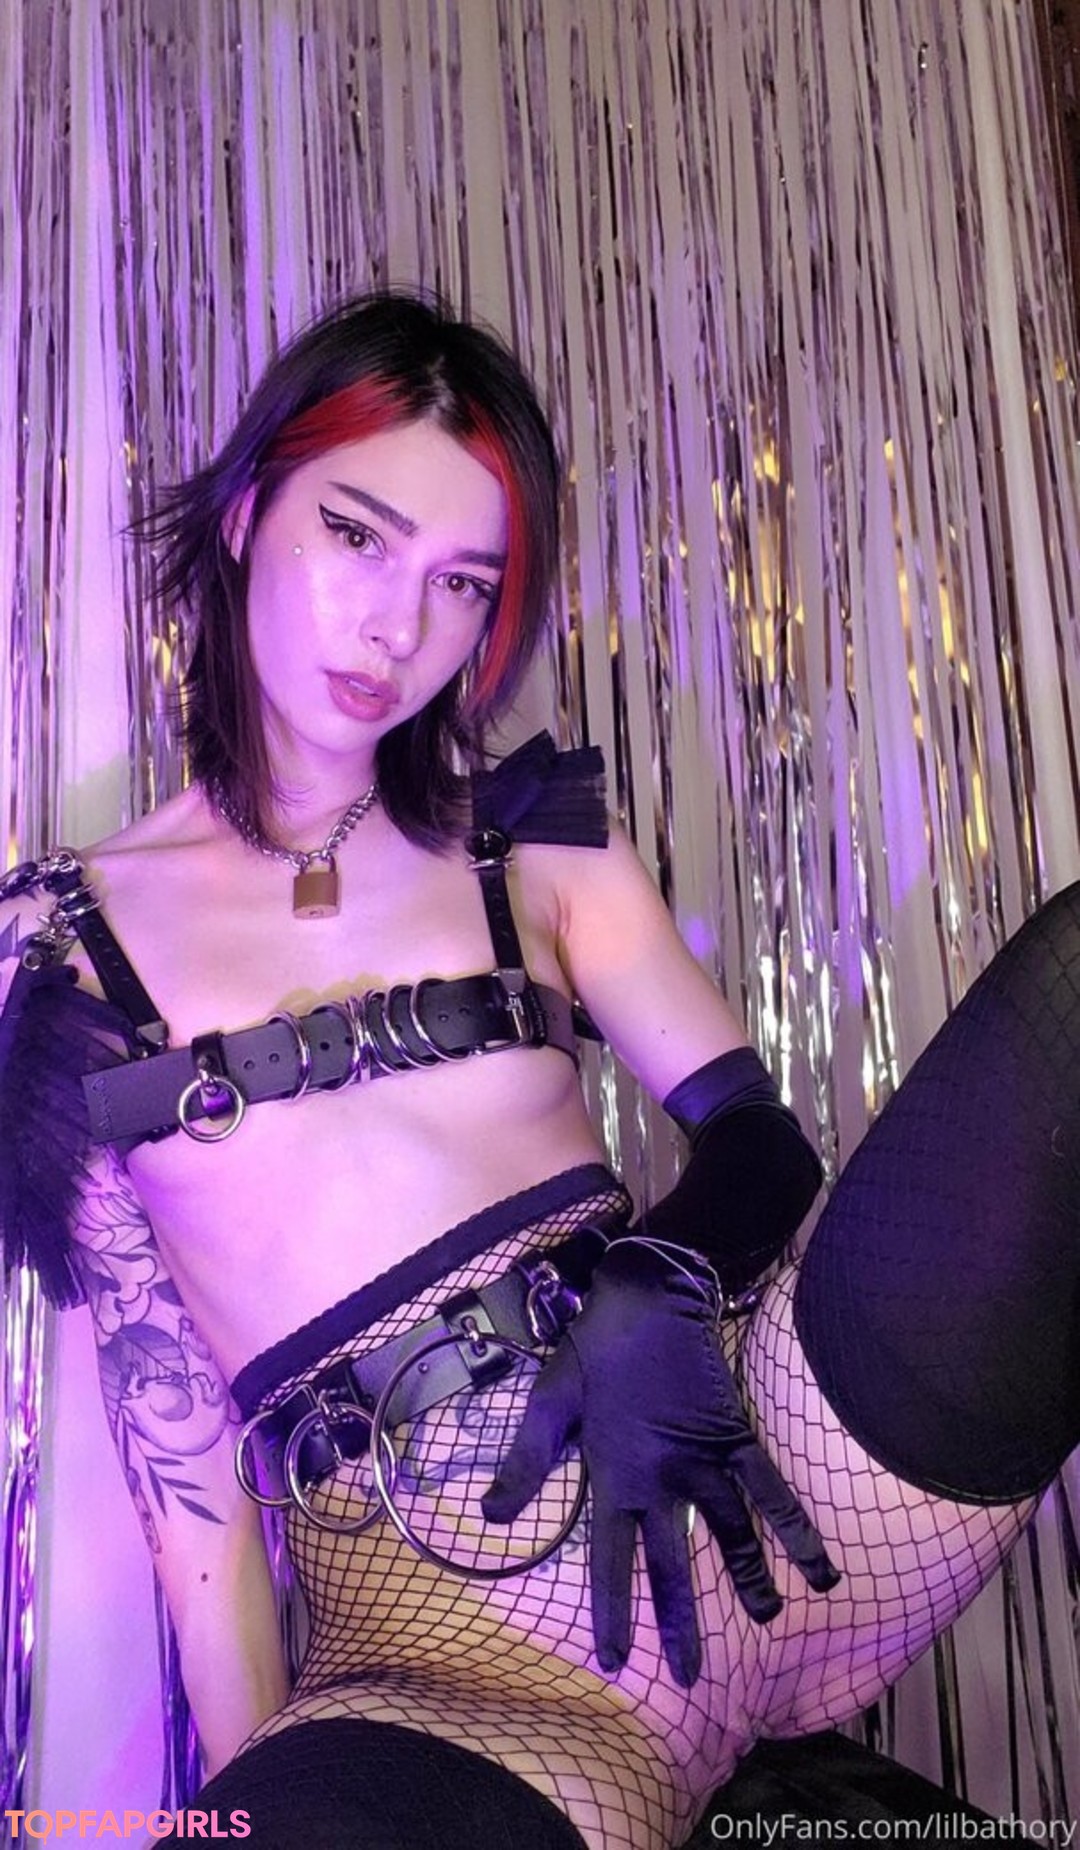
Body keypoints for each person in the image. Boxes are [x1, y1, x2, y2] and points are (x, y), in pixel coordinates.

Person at [0, 291, 1076, 1850]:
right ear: (244, 515)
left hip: (761, 1464)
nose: (399, 629)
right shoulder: (61, 947)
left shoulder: (529, 829)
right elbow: (181, 1459)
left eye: (461, 582)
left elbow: (758, 1139)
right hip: (453, 1657)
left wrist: (657, 1279)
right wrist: (249, 1789)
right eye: (356, 538)